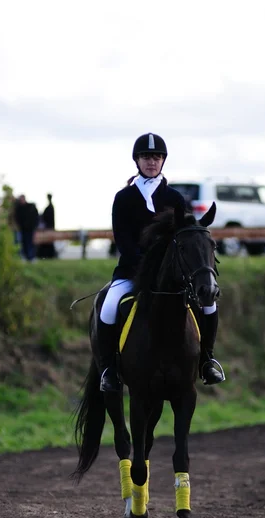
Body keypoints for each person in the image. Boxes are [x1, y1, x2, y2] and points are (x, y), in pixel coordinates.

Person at [98, 132, 225, 393]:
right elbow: (122, 239)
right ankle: (109, 369)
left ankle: (207, 360)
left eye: (156, 157)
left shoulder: (176, 198)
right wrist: (144, 265)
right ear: (137, 161)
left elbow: (184, 238)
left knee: (208, 305)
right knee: (108, 307)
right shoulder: (123, 198)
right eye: (146, 157)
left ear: (163, 161)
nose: (151, 162)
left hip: (171, 275)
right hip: (132, 270)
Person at [14, 194, 39, 261]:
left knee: (30, 243)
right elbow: (17, 218)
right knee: (23, 243)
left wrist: (34, 226)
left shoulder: (31, 207)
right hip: (22, 229)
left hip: (30, 229)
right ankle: (25, 257)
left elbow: (36, 217)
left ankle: (31, 257)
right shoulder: (18, 208)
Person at [37, 193, 57, 259]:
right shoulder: (50, 207)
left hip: (48, 227)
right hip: (49, 227)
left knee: (48, 242)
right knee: (47, 242)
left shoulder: (50, 207)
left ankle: (48, 255)